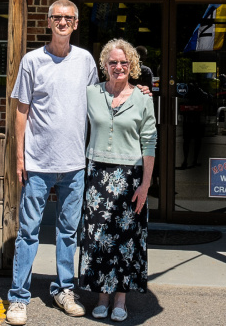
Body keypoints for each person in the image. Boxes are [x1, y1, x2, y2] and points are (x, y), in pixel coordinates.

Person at [6, 0, 96, 326]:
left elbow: (94, 106)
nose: (62, 22)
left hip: (74, 164)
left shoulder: (85, 60)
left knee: (68, 233)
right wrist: (19, 156)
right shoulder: (32, 61)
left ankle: (64, 290)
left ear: (75, 24)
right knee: (28, 232)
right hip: (38, 164)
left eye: (68, 18)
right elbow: (21, 111)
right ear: (48, 22)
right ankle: (18, 298)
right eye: (56, 17)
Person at [79, 40, 156, 323]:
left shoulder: (143, 98)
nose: (118, 67)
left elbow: (150, 143)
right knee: (98, 239)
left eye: (124, 63)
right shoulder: (90, 93)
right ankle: (101, 296)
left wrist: (145, 185)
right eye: (113, 62)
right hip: (97, 175)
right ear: (105, 65)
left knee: (126, 240)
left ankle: (121, 298)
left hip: (131, 176)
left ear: (132, 65)